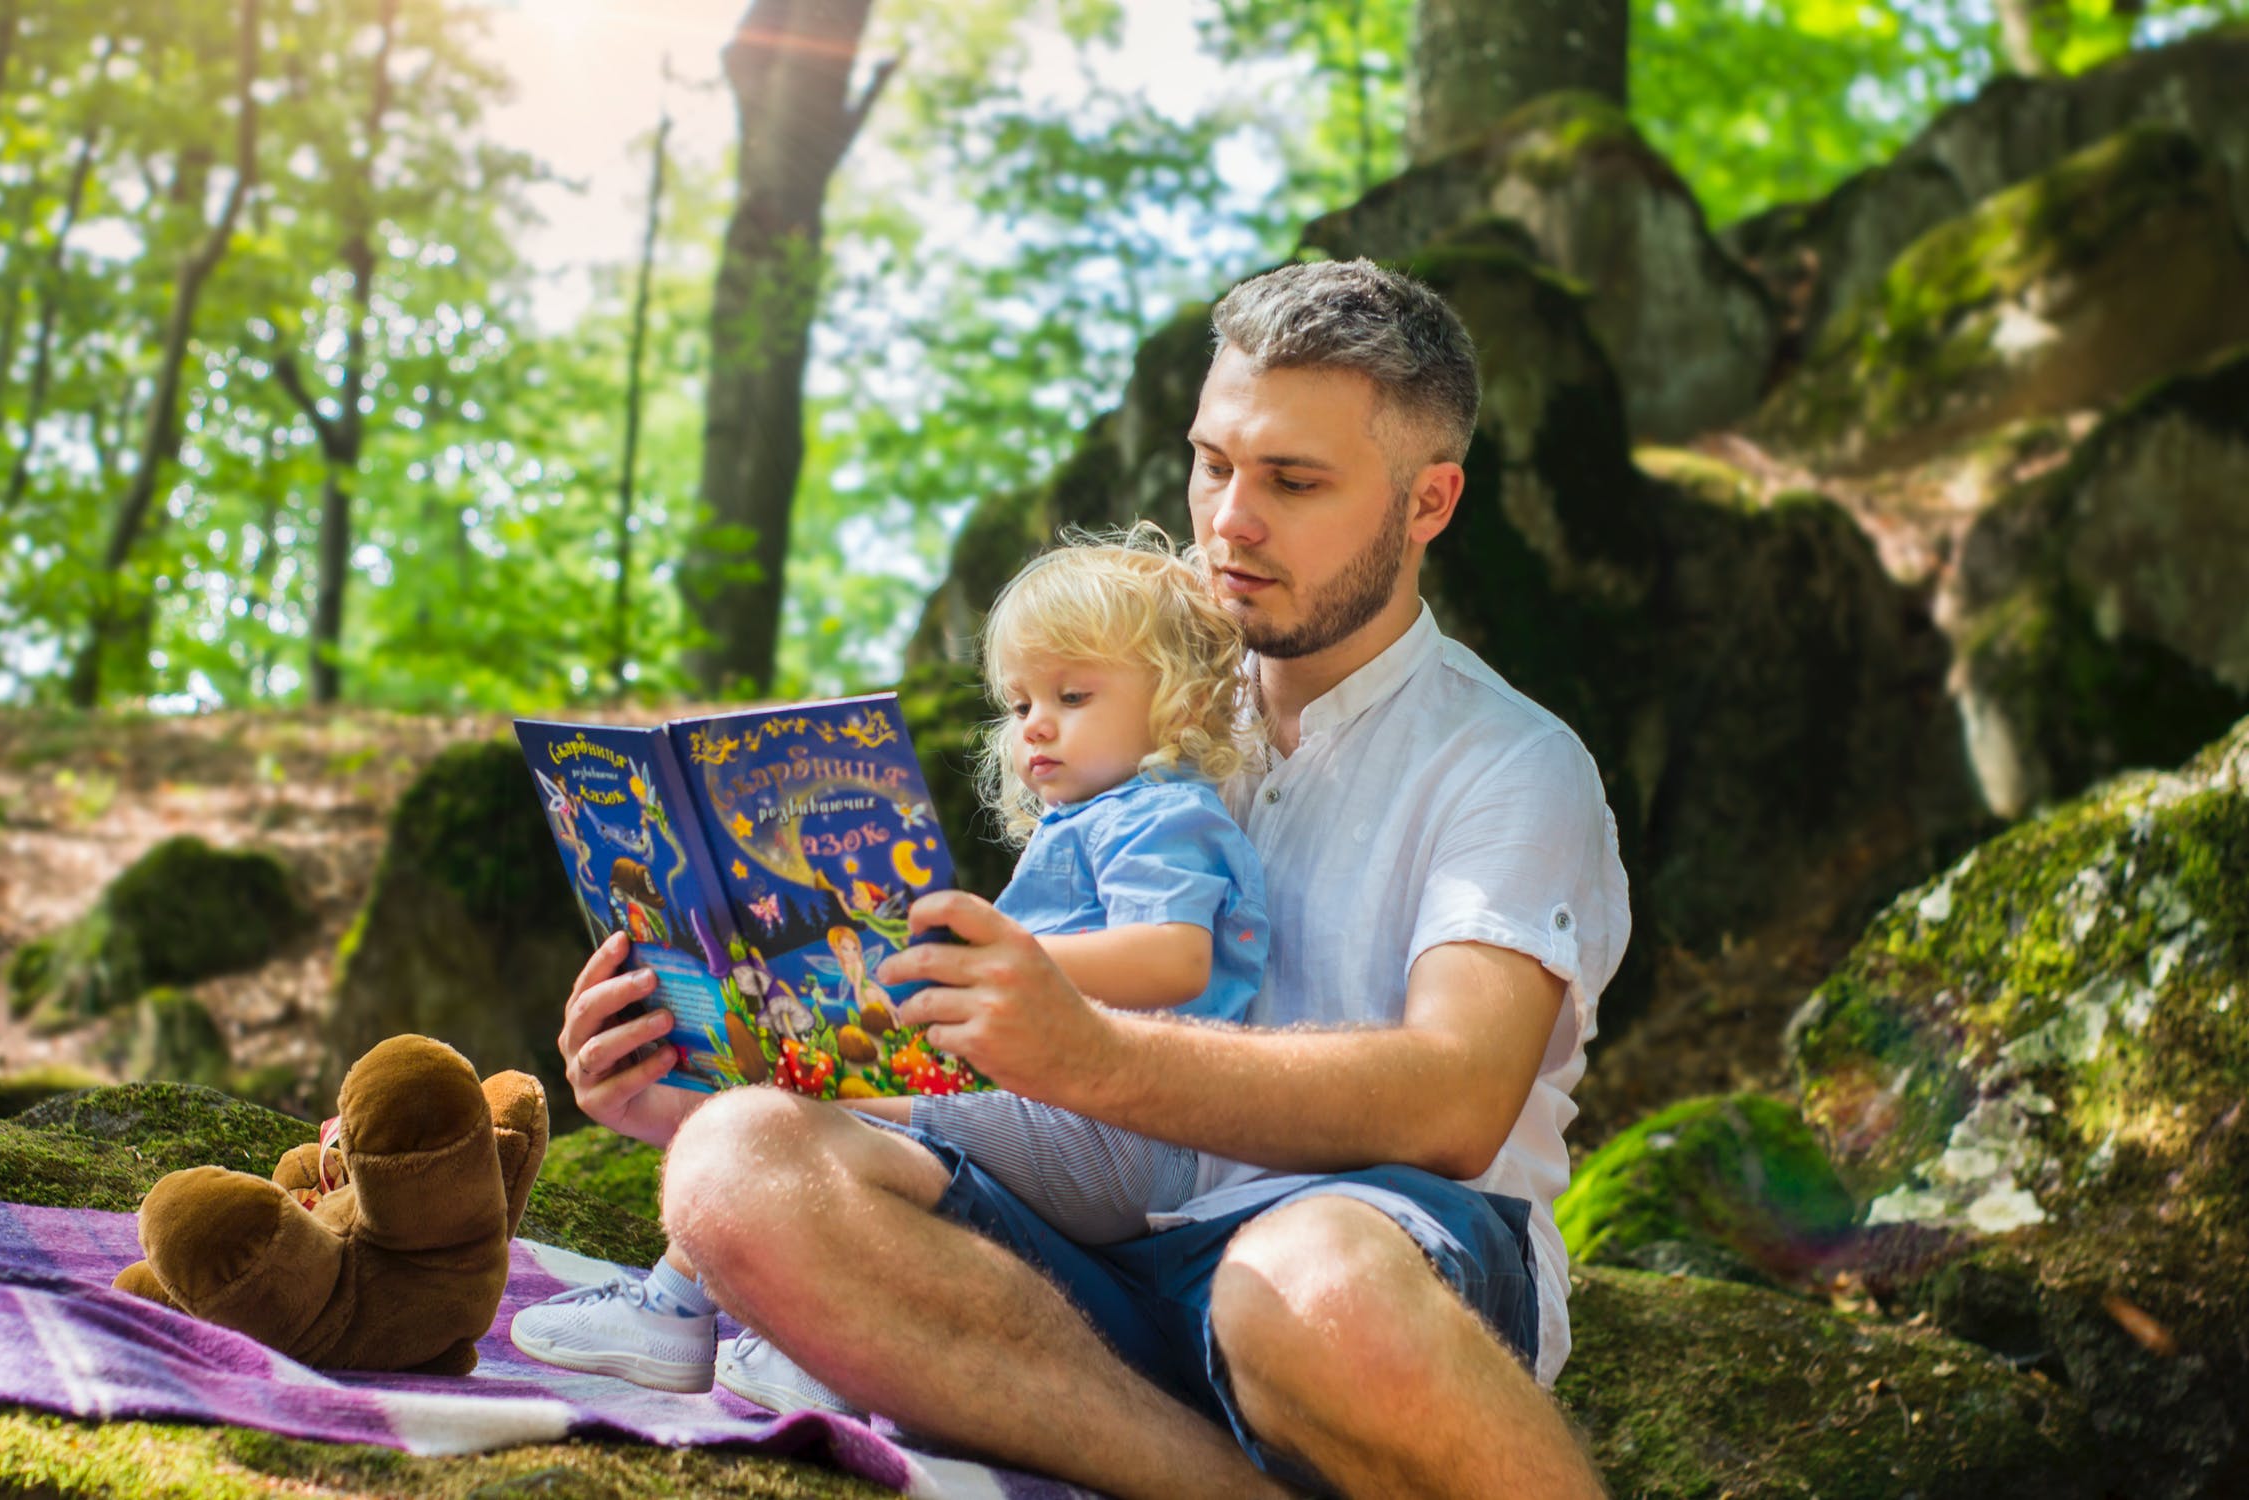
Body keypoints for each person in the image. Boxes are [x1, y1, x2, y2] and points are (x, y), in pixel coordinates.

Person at [559, 258, 1627, 1499]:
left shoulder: (1510, 764)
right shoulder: (1131, 703)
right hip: (1091, 1249)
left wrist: (1083, 1050)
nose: (1231, 517)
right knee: (735, 1162)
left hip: (1373, 1259)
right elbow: (1004, 1063)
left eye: (1293, 480)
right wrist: (695, 1070)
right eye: (1215, 462)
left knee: (1309, 1282)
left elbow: (1456, 1098)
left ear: (1428, 502)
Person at [513, 530, 1271, 1396]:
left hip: (1119, 1134)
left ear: (1182, 702)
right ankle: (748, 1319)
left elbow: (1175, 958)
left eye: (1073, 693)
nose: (1038, 726)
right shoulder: (1094, 820)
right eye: (1019, 704)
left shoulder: (1166, 814)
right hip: (1059, 1113)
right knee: (795, 1105)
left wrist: (1001, 961)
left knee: (821, 1116)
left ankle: (717, 1322)